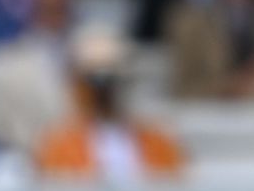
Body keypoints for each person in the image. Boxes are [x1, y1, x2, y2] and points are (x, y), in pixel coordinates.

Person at [35, 25, 184, 180]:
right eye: (96, 81)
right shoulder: (59, 145)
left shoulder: (157, 142)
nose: (105, 92)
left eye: (112, 80)